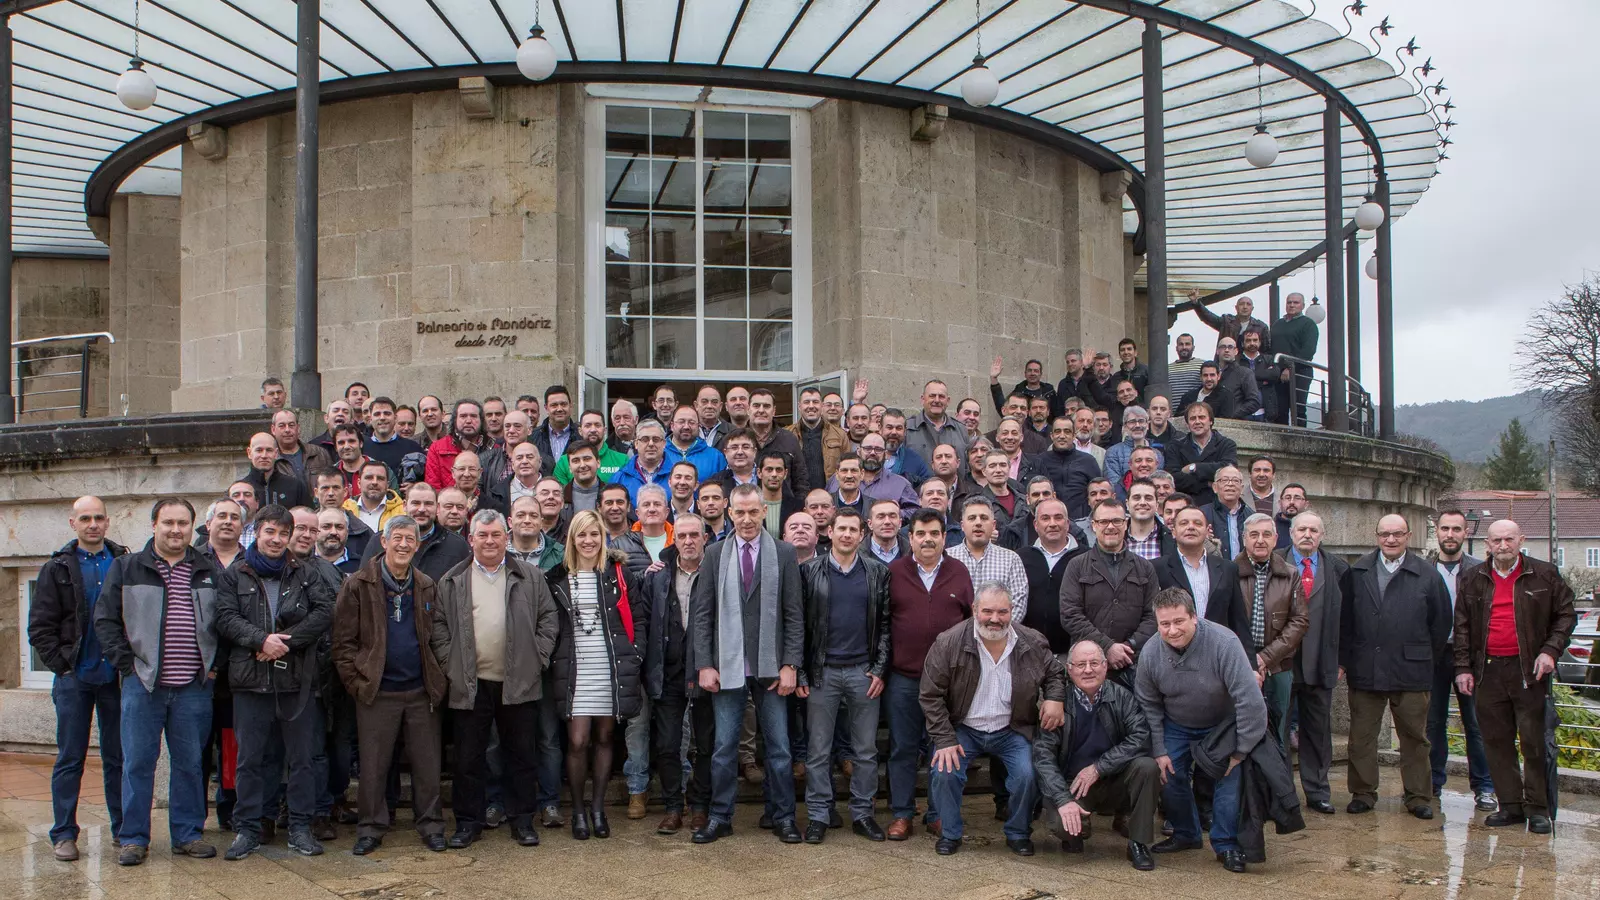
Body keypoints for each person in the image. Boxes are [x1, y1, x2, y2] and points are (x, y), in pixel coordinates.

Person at [94, 498, 221, 866]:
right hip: (143, 685)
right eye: (168, 522)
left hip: (194, 687)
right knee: (137, 763)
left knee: (190, 763)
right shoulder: (127, 567)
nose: (176, 530)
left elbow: (226, 621)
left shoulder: (208, 569)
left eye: (183, 523)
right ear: (154, 525)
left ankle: (187, 834)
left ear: (193, 527)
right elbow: (105, 620)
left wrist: (214, 666)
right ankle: (133, 838)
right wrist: (127, 665)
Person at [215, 505, 336, 860]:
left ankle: (300, 827)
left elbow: (324, 612)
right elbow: (225, 617)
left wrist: (284, 642)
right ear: (256, 532)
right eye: (270, 532)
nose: (277, 539)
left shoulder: (305, 572)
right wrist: (260, 640)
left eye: (284, 533)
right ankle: (248, 829)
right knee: (250, 760)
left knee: (302, 760)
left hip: (296, 680)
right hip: (250, 682)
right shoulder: (235, 574)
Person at [687, 484, 805, 844]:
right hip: (728, 666)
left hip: (771, 668)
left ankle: (782, 816)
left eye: (754, 511)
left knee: (779, 748)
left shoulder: (783, 553)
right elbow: (703, 615)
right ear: (729, 512)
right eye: (740, 512)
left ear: (764, 512)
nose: (747, 519)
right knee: (724, 748)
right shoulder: (714, 554)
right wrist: (704, 664)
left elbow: (794, 614)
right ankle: (720, 816)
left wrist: (791, 664)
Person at [437, 510, 559, 849]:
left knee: (521, 756)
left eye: (496, 535)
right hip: (470, 683)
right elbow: (439, 627)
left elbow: (548, 619)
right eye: (483, 535)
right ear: (471, 539)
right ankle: (468, 823)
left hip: (518, 681)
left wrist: (537, 658)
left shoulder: (530, 576)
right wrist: (451, 663)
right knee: (468, 758)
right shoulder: (453, 579)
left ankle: (522, 821)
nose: (489, 541)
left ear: (507, 538)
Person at [920, 582, 1067, 857]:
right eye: (987, 611)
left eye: (1002, 612)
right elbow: (930, 695)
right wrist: (945, 739)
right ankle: (950, 833)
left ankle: (1018, 832)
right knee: (944, 770)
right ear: (975, 609)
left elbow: (1055, 674)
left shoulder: (1032, 641)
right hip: (964, 727)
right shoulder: (949, 642)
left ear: (1012, 610)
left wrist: (1055, 698)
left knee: (1028, 774)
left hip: (1012, 728)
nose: (995, 619)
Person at [331, 516, 450, 855]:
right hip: (377, 692)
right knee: (373, 766)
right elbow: (342, 643)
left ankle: (431, 825)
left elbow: (437, 635)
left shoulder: (426, 584)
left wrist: (439, 678)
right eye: (397, 538)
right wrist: (357, 683)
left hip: (421, 691)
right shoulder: (358, 584)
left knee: (428, 766)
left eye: (410, 539)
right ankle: (370, 828)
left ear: (418, 545)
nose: (403, 544)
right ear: (384, 542)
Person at [1455, 519, 1576, 835]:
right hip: (1488, 670)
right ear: (1487, 544)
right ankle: (1510, 805)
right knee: (1496, 741)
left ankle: (1538, 808)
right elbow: (1462, 626)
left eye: (1509, 539)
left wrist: (1550, 651)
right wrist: (1463, 668)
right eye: (1497, 540)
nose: (1503, 545)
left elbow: (1566, 615)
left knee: (1533, 741)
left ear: (1521, 540)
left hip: (1529, 670)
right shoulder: (1473, 578)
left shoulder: (1545, 574)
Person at [1136, 587, 1267, 873]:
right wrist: (1158, 749)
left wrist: (1241, 750)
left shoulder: (1225, 643)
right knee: (1168, 774)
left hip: (1222, 724)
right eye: (1164, 624)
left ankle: (1226, 844)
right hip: (1176, 723)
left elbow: (1250, 701)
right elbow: (1148, 705)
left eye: (1179, 621)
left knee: (1229, 779)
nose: (1172, 630)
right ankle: (1186, 833)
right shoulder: (1150, 652)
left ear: (1194, 617)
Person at [30, 496, 128, 862]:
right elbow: (40, 627)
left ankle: (124, 831)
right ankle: (64, 834)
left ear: (107, 521)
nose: (93, 524)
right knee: (70, 758)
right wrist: (63, 666)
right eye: (85, 518)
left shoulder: (123, 562)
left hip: (115, 678)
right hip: (75, 678)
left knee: (118, 758)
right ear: (73, 523)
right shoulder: (56, 568)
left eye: (98, 517)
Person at [1342, 514, 1452, 820]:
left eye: (1398, 534)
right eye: (1385, 534)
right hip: (1366, 667)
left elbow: (1441, 622)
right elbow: (1345, 621)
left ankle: (1418, 796)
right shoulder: (1358, 571)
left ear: (1408, 536)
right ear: (1376, 536)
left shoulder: (1428, 575)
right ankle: (1363, 792)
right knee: (1361, 736)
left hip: (1411, 669)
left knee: (1415, 738)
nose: (1391, 539)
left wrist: (1422, 655)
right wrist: (1348, 659)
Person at [797, 507, 891, 843]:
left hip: (862, 672)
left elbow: (885, 625)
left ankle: (863, 814)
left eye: (853, 529)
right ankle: (819, 815)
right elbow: (799, 626)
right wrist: (802, 671)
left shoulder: (878, 572)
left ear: (862, 534)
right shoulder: (809, 572)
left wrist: (879, 668)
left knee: (865, 751)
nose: (847, 534)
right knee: (819, 750)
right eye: (842, 529)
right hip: (822, 672)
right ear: (830, 532)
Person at [883, 509, 974, 840]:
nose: (927, 540)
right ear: (910, 538)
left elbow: (971, 623)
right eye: (920, 534)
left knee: (943, 748)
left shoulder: (959, 572)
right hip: (903, 678)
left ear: (944, 537)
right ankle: (902, 813)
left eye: (934, 533)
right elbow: (882, 623)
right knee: (902, 747)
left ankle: (938, 814)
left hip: (946, 681)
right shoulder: (894, 572)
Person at [1034, 640, 1159, 869]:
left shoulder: (1122, 696)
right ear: (1069, 669)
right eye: (1081, 664)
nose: (1088, 670)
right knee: (1065, 829)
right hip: (1074, 785)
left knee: (1147, 766)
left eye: (1094, 663)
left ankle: (1138, 843)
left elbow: (1141, 736)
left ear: (1105, 666)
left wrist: (1099, 767)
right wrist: (1063, 800)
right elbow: (1043, 757)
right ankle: (1080, 825)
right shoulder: (1058, 704)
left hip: (1114, 778)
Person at [641, 514, 714, 835]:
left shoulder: (715, 572)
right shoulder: (657, 577)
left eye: (694, 535)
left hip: (705, 670)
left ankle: (700, 807)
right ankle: (673, 807)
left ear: (705, 538)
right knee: (668, 745)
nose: (688, 541)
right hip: (667, 672)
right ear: (674, 540)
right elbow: (644, 622)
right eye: (682, 536)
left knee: (706, 745)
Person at [1426, 509, 1496, 810]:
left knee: (1476, 724)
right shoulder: (1424, 569)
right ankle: (1432, 783)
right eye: (1445, 528)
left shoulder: (1480, 570)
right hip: (1434, 655)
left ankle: (1484, 787)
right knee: (1433, 723)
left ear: (1465, 533)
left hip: (1471, 655)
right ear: (1437, 531)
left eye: (1456, 529)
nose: (1450, 534)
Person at [1281, 510, 1347, 815]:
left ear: (1322, 535)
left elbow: (1349, 619)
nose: (1307, 534)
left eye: (1314, 530)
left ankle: (1318, 791)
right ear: (1291, 533)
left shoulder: (1338, 568)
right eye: (1302, 529)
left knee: (1318, 732)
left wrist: (1342, 661)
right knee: (1278, 729)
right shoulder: (1275, 562)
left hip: (1322, 661)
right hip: (1282, 662)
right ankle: (1282, 793)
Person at [1059, 499, 1157, 689]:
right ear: (1094, 526)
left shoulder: (1145, 568)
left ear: (1126, 524)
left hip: (1134, 664)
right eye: (1103, 521)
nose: (1110, 527)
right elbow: (1070, 614)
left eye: (1117, 521)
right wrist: (1107, 647)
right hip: (1088, 666)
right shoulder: (1077, 566)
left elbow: (1153, 616)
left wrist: (1129, 646)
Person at [1236, 513, 1308, 746]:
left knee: (1277, 730)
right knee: (1239, 728)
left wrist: (1265, 657)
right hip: (1238, 662)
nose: (1260, 540)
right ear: (1244, 538)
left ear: (1276, 539)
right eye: (1254, 535)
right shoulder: (1229, 570)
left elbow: (1299, 621)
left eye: (1266, 534)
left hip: (1278, 665)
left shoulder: (1290, 573)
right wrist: (1249, 659)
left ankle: (1275, 769)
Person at [1155, 504, 1249, 645]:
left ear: (1207, 531)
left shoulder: (1228, 569)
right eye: (1184, 523)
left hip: (1218, 649)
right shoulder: (1157, 568)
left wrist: (1248, 658)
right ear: (1173, 532)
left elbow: (1239, 620)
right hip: (1173, 649)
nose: (1191, 527)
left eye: (1197, 523)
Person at [357, 483, 472, 583]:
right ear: (404, 505)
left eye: (428, 504)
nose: (422, 509)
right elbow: (362, 585)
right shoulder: (380, 541)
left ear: (437, 508)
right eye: (416, 503)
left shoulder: (457, 546)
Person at [1017, 498, 1087, 656]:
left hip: (1074, 653)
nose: (1052, 523)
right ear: (1036, 525)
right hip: (1029, 652)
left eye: (1058, 517)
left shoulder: (1086, 557)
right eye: (1045, 518)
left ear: (1067, 523)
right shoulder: (1020, 558)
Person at [947, 496, 1030, 619]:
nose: (978, 523)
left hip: (999, 628)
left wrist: (995, 628)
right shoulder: (947, 558)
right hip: (958, 630)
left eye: (984, 518)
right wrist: (961, 631)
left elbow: (1018, 605)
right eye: (972, 518)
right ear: (962, 526)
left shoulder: (1011, 560)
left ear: (993, 525)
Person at [1029, 417, 1104, 523]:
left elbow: (1098, 492)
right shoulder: (1040, 461)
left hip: (1081, 521)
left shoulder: (1088, 461)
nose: (1062, 436)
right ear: (1052, 436)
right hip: (1048, 521)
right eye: (1058, 431)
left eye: (1067, 431)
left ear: (1074, 436)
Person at [1164, 403, 1238, 507]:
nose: (1197, 422)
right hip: (1186, 506)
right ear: (1187, 423)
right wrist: (1207, 483)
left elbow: (1228, 470)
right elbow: (1174, 478)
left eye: (1202, 417)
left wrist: (1194, 467)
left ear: (1211, 421)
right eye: (1192, 418)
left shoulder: (1226, 445)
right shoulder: (1175, 446)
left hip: (1217, 506)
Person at [748, 389, 810, 495]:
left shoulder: (789, 439)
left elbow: (801, 480)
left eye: (766, 406)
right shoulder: (737, 440)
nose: (761, 410)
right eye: (756, 406)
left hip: (783, 503)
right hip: (746, 503)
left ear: (774, 411)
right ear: (748, 409)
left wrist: (798, 503)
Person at [1273, 292, 1319, 427]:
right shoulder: (1278, 324)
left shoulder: (1308, 324)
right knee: (1279, 409)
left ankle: (1300, 436)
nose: (1292, 305)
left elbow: (1308, 351)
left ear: (1303, 306)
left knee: (1298, 408)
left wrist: (1290, 368)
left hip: (1300, 372)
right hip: (1278, 373)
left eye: (1296, 302)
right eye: (1289, 302)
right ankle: (1280, 437)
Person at [788, 386, 847, 489]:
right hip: (796, 495)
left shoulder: (840, 435)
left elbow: (847, 467)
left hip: (829, 495)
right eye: (806, 402)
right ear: (799, 406)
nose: (811, 406)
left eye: (815, 402)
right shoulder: (787, 434)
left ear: (822, 406)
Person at [424, 400, 488, 490]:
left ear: (481, 420)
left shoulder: (493, 448)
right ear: (455, 420)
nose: (468, 421)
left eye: (473, 416)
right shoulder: (437, 449)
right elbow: (433, 489)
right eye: (463, 416)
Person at [905, 379, 969, 463]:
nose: (937, 400)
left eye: (941, 396)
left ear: (948, 401)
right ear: (923, 399)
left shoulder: (961, 430)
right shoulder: (907, 429)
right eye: (932, 396)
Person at [610, 419, 672, 505]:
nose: (651, 444)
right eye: (645, 439)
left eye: (656, 439)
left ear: (664, 443)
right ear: (636, 444)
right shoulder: (620, 478)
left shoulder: (676, 476)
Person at [1104, 407, 1160, 501]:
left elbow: (1159, 481)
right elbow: (1114, 484)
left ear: (1147, 425)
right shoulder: (1113, 452)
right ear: (1125, 426)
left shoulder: (1157, 453)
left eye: (1141, 421)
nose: (1137, 425)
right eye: (1132, 422)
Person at [246, 431, 312, 510]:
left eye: (269, 450)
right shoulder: (240, 490)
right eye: (259, 450)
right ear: (249, 453)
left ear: (276, 453)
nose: (264, 456)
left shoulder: (295, 486)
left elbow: (309, 515)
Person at [362, 397, 423, 477]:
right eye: (377, 414)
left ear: (395, 418)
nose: (382, 418)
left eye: (387, 413)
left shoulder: (413, 448)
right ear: (370, 419)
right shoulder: (361, 448)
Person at [666, 404, 728, 481]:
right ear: (672, 426)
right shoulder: (660, 453)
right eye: (681, 422)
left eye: (691, 422)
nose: (686, 427)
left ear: (698, 426)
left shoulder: (715, 457)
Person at [1193, 292, 1270, 351]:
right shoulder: (1226, 321)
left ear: (1252, 308)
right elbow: (1208, 317)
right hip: (1227, 363)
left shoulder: (1261, 327)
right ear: (1236, 307)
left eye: (1248, 304)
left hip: (1251, 364)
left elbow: (1267, 350)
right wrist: (1196, 303)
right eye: (1242, 304)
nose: (1245, 307)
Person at [271, 409, 335, 480]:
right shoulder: (270, 458)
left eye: (291, 425)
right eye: (282, 426)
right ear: (273, 430)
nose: (287, 430)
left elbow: (332, 480)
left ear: (298, 428)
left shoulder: (319, 453)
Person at [1204, 466, 1251, 560]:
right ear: (1215, 487)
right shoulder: (1202, 514)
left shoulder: (1251, 516)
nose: (1230, 484)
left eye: (1235, 480)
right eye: (1224, 480)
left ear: (1241, 488)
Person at [879, 408, 934, 484]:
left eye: (899, 428)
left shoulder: (915, 460)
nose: (894, 432)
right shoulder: (868, 454)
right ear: (880, 428)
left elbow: (929, 484)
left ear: (905, 431)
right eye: (889, 427)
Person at [1238, 330, 1283, 424]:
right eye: (1248, 340)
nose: (1252, 343)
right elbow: (1237, 381)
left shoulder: (1269, 359)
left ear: (1260, 342)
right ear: (1242, 343)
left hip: (1265, 413)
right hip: (1243, 413)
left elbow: (1275, 375)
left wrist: (1249, 377)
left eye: (1255, 340)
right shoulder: (1237, 361)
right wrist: (1263, 380)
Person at [1122, 480, 1171, 561]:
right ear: (1127, 504)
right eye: (1136, 498)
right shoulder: (1116, 537)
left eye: (1148, 498)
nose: (1142, 503)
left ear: (1157, 505)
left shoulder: (1171, 539)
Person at [530, 386, 575, 474]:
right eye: (554, 405)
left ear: (570, 406)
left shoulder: (581, 435)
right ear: (546, 408)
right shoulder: (532, 438)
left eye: (563, 404)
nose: (559, 409)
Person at [990, 355, 1057, 413]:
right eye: (1029, 370)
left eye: (1036, 371)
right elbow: (1003, 409)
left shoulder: (1049, 392)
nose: (1032, 373)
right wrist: (994, 378)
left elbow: (1057, 413)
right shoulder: (1019, 391)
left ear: (1040, 374)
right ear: (1025, 374)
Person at [563, 440, 606, 512]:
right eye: (576, 461)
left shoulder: (612, 495)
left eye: (587, 459)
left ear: (598, 463)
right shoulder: (560, 496)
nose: (582, 465)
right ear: (570, 468)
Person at [1166, 335, 1205, 414]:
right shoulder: (1167, 369)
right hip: (1172, 416)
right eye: (1181, 344)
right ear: (1176, 348)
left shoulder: (1202, 365)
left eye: (1187, 344)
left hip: (1195, 415)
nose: (1184, 347)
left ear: (1193, 347)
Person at [1052, 348, 1091, 419]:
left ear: (1081, 362)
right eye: (1068, 362)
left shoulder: (1091, 381)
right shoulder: (1063, 384)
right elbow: (1060, 408)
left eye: (1073, 361)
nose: (1070, 364)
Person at [1274, 483, 1309, 549]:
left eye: (1297, 498)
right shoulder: (1271, 527)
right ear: (1280, 503)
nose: (1292, 502)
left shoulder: (1311, 528)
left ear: (1306, 504)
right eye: (1288, 498)